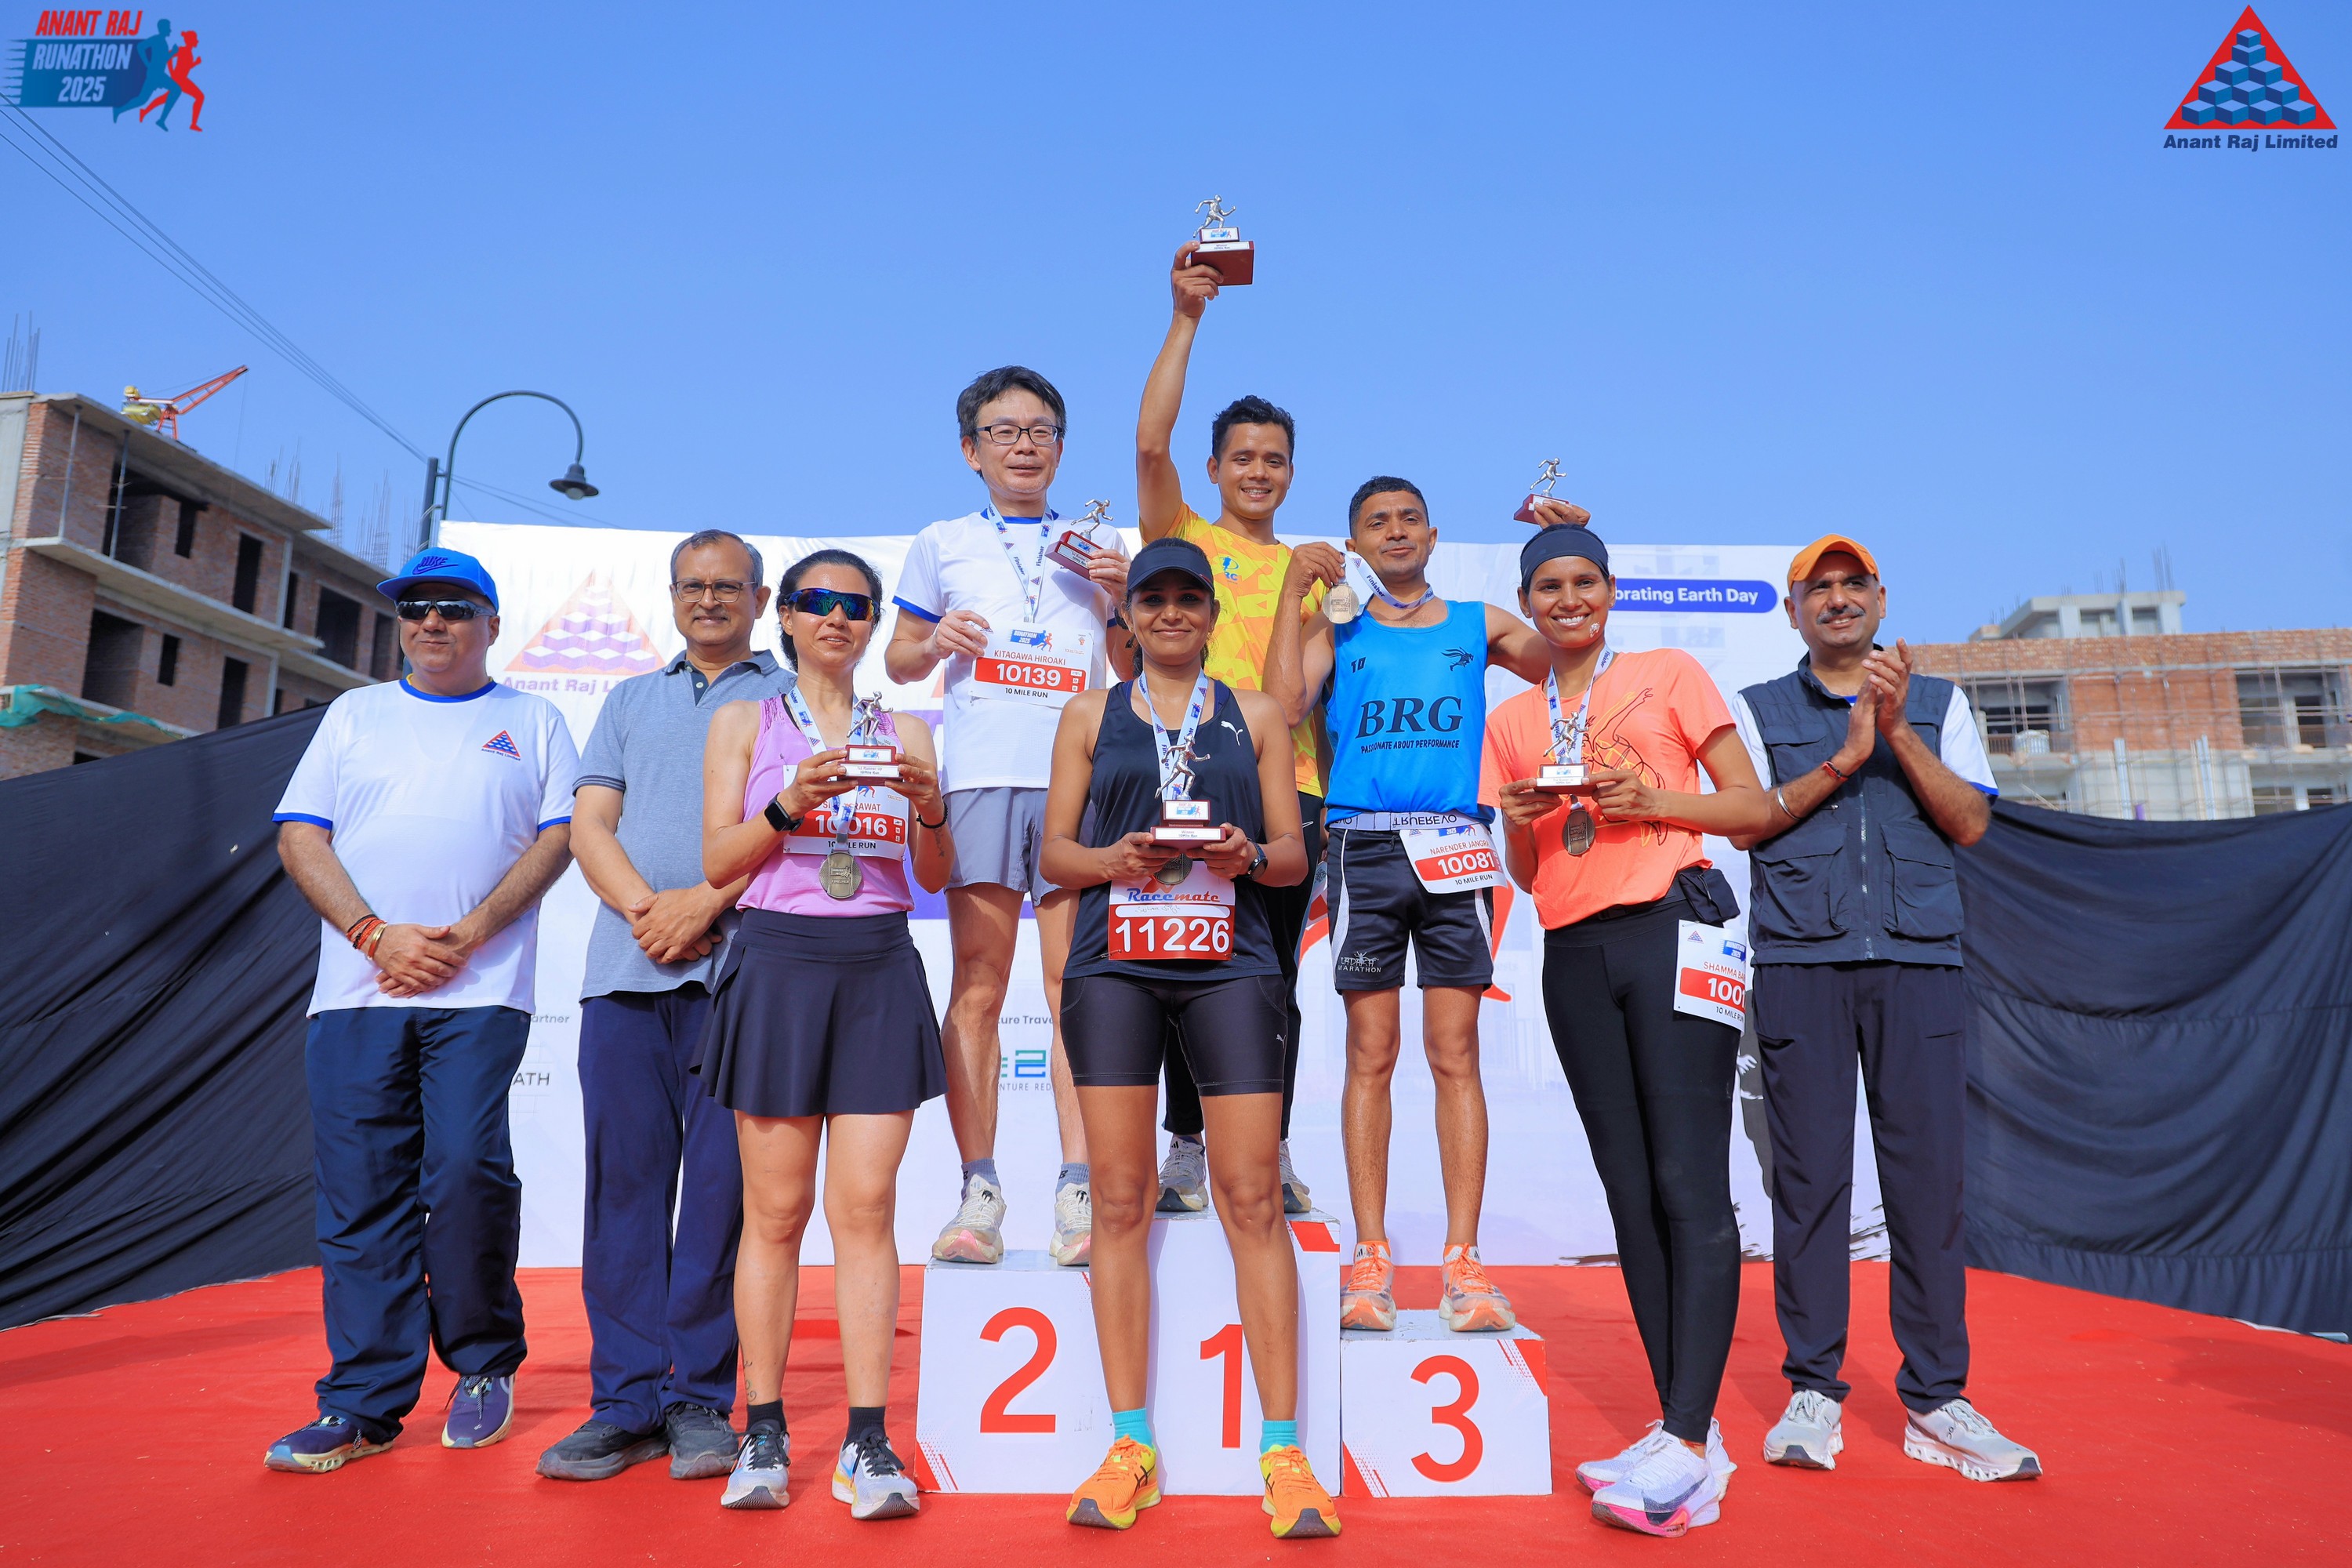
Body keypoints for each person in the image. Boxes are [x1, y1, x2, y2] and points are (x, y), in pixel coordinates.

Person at [1479, 525, 1775, 1537]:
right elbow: (1530, 873)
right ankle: (1682, 1427)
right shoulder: (1514, 716)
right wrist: (1518, 816)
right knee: (1630, 1192)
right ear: (1528, 600)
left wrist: (1652, 798)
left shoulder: (1668, 671)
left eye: (1583, 581)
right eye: (1548, 586)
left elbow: (1751, 808)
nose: (1567, 599)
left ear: (1608, 591)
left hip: (1674, 927)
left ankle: (1688, 1440)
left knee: (1690, 1180)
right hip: (1574, 951)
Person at [1727, 535, 2041, 1483]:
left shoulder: (1940, 703)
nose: (1837, 599)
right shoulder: (1756, 708)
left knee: (1928, 1188)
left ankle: (1938, 1398)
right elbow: (1746, 820)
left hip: (1919, 964)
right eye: (1817, 588)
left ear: (1881, 599)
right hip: (1802, 963)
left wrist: (1897, 731)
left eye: (1852, 584)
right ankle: (1813, 1388)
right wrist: (1845, 755)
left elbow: (1972, 822)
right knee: (1809, 1185)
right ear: (1792, 611)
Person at [1042, 537, 1336, 1540]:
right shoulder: (1090, 714)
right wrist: (1112, 858)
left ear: (1212, 615)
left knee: (1251, 1196)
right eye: (1153, 598)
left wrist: (1251, 852)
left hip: (1231, 963)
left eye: (1188, 598)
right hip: (1116, 965)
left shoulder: (1255, 713)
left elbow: (1294, 856)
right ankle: (1131, 1442)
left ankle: (1284, 1450)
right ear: (1128, 616)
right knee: (1121, 1200)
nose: (1170, 612)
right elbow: (1055, 852)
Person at [265, 547, 579, 1473]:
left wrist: (471, 931)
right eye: (414, 609)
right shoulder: (354, 714)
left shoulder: (534, 718)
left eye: (453, 607)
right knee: (361, 1189)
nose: (431, 622)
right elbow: (300, 835)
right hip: (357, 991)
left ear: (491, 623)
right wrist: (373, 935)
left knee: (467, 1169)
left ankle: (483, 1364)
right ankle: (362, 1402)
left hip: (479, 989)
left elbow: (560, 836)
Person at [1261, 476, 1577, 1335]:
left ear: (1434, 536)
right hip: (1363, 847)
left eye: (1409, 519)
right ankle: (1370, 1258)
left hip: (1456, 848)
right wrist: (1292, 595)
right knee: (1370, 1051)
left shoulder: (1478, 622)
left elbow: (1568, 655)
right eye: (1377, 522)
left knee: (1454, 1052)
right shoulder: (1340, 627)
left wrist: (1558, 549)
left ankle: (1463, 1261)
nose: (1395, 531)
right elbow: (1283, 706)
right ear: (1355, 543)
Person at [536, 531, 797, 1485]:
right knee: (624, 1195)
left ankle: (698, 1401)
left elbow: (793, 830)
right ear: (674, 595)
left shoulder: (788, 698)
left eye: (728, 586)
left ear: (760, 599)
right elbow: (590, 825)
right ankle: (624, 1403)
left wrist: (705, 906)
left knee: (723, 1200)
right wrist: (653, 911)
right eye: (693, 585)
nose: (709, 599)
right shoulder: (628, 699)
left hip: (742, 976)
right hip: (626, 971)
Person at [699, 549, 952, 1520]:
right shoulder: (744, 721)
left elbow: (935, 874)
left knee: (867, 1209)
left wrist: (930, 807)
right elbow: (719, 860)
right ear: (788, 618)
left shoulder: (910, 730)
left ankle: (867, 1437)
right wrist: (790, 802)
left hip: (878, 963)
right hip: (776, 961)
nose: (836, 617)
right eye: (816, 602)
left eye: (855, 604)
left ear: (875, 621)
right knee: (773, 1212)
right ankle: (763, 1427)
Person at [885, 365, 1129, 1269]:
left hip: (1080, 782)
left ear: (1061, 447)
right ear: (971, 450)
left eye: (1040, 431)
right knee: (979, 987)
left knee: (1076, 990)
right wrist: (932, 639)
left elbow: (1133, 665)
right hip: (983, 776)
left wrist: (1125, 594)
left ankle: (1078, 1188)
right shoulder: (942, 541)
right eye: (1004, 431)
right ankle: (979, 1191)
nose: (1023, 445)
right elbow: (900, 659)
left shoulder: (1100, 540)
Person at [1135, 243, 1323, 1215]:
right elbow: (1148, 446)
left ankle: (1271, 1146)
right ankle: (1186, 1145)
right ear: (1213, 469)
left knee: (1273, 980)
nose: (1258, 470)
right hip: (1184, 782)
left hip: (1291, 791)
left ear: (1291, 473)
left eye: (1274, 459)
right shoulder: (1187, 541)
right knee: (1181, 958)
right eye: (1242, 457)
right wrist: (1186, 318)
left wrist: (1298, 589)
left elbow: (1289, 705)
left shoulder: (1316, 571)